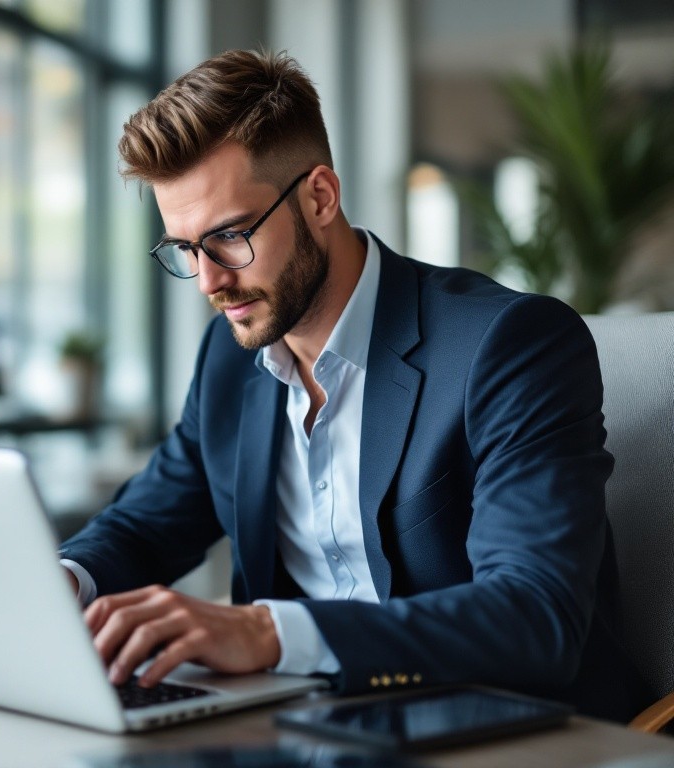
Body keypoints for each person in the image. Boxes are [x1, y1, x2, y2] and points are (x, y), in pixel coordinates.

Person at [58, 49, 647, 722]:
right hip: (306, 727)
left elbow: (534, 615)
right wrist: (65, 581)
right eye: (185, 250)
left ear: (319, 197)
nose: (210, 281)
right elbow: (144, 525)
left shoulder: (510, 345)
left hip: (502, 730)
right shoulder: (229, 358)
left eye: (229, 236)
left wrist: (268, 634)